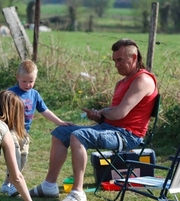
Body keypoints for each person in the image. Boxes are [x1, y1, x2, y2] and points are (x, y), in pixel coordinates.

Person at [29, 38, 158, 201]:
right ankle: (49, 186)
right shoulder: (121, 82)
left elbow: (120, 114)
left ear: (133, 58)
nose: (116, 65)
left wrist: (102, 112)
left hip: (128, 135)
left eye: (120, 60)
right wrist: (99, 117)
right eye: (114, 61)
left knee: (79, 136)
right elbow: (113, 118)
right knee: (60, 133)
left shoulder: (142, 80)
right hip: (110, 129)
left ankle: (78, 192)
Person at [0, 59, 73, 196]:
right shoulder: (10, 93)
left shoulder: (35, 94)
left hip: (25, 133)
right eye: (24, 81)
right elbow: (1, 111)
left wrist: (60, 122)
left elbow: (45, 111)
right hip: (11, 131)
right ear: (17, 78)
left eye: (31, 81)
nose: (28, 85)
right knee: (15, 157)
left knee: (23, 158)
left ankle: (6, 184)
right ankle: (13, 185)